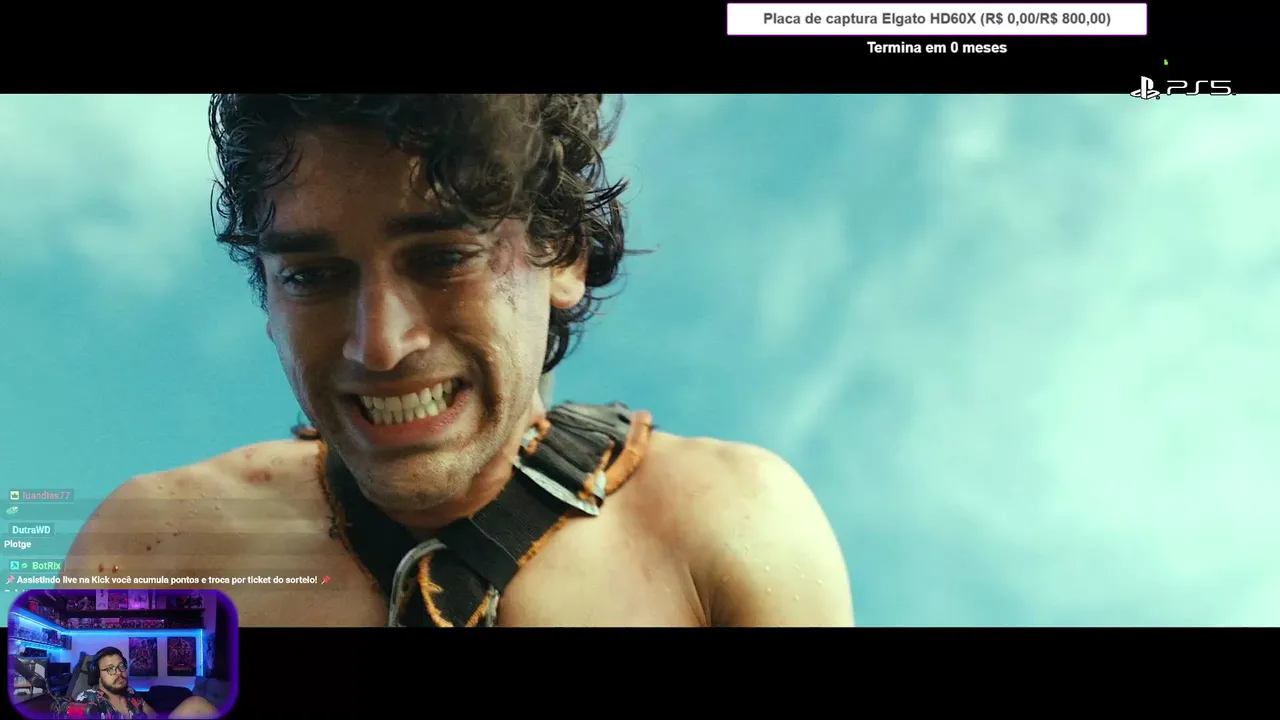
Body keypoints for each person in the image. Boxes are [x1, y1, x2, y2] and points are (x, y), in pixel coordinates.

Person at [65, 94, 854, 627]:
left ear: (565, 253)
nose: (379, 344)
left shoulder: (729, 528)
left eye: (443, 258)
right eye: (311, 276)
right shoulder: (158, 552)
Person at [66, 648, 219, 718]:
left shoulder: (131, 693)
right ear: (98, 675)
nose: (118, 672)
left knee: (197, 703)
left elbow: (153, 715)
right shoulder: (87, 699)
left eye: (121, 666)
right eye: (110, 669)